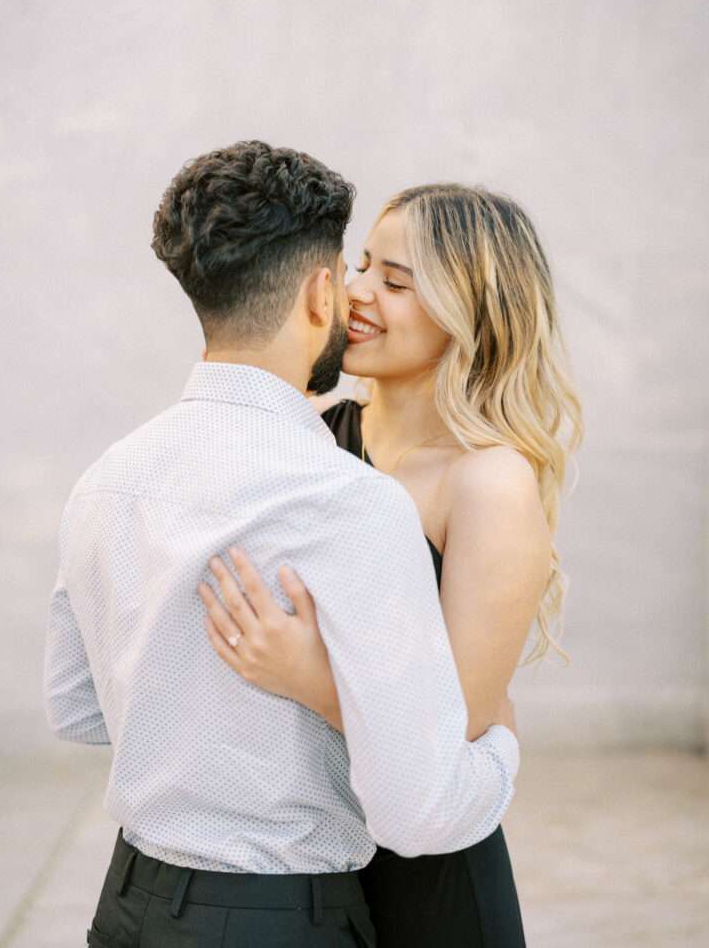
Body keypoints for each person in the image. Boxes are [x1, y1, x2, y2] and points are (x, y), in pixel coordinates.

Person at [42, 142, 520, 948]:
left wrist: (188, 708)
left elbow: (76, 707)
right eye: (356, 269)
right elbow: (420, 805)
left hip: (126, 905)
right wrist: (502, 746)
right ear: (319, 289)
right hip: (275, 917)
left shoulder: (107, 478)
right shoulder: (353, 502)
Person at [198, 182, 584, 946]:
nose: (358, 290)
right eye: (363, 264)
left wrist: (306, 674)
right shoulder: (303, 436)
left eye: (397, 281)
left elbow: (448, 744)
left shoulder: (487, 483)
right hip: (298, 864)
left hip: (426, 880)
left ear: (472, 310)